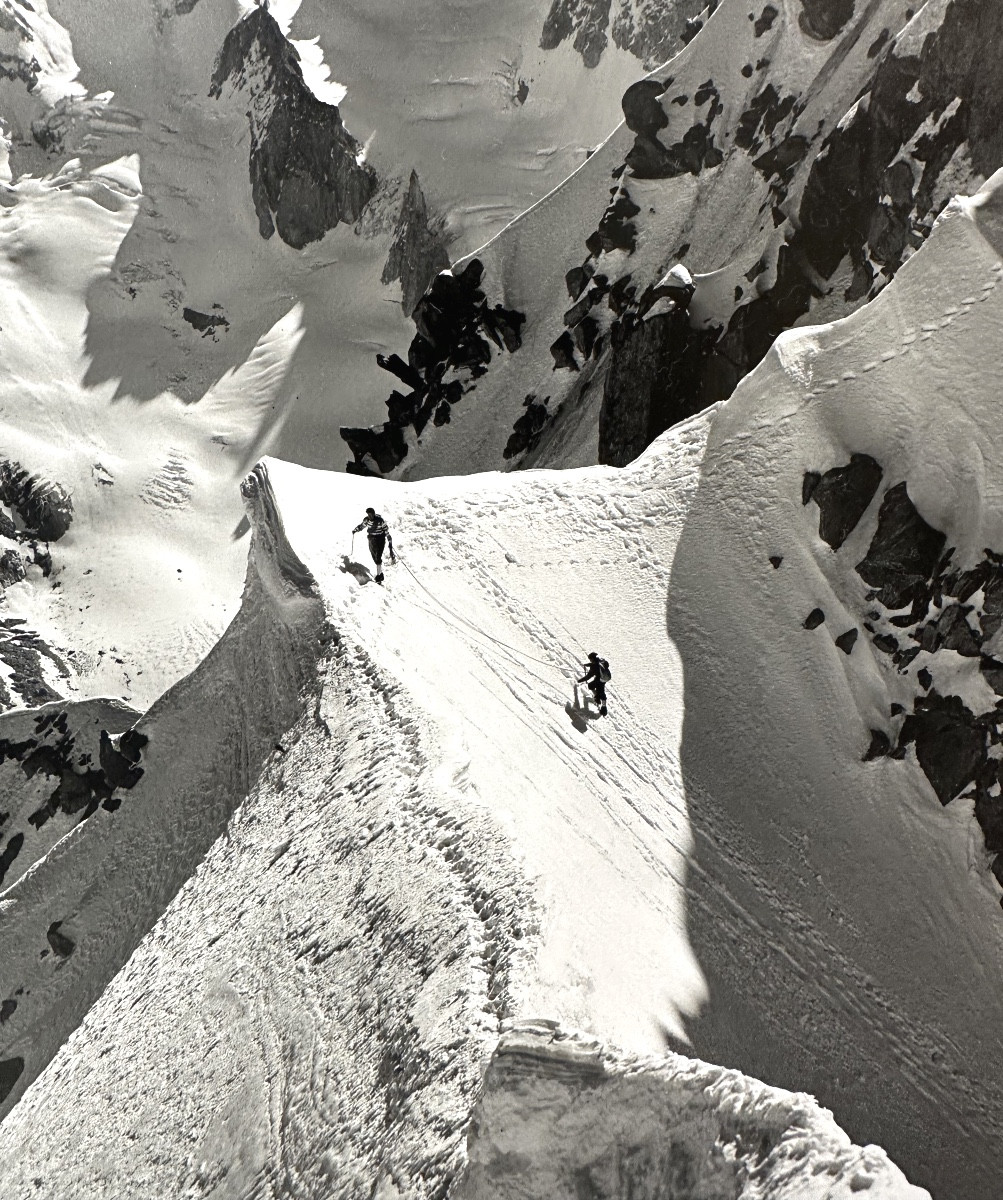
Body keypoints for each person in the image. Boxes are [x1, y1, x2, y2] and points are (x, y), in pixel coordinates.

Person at [353, 507, 395, 583]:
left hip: (380, 539)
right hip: (371, 539)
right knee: (374, 557)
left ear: (374, 514)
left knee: (378, 557)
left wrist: (389, 538)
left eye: (371, 514)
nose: (370, 516)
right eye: (368, 514)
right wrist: (356, 530)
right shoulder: (366, 520)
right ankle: (380, 574)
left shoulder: (380, 520)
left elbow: (385, 529)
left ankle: (379, 577)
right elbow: (362, 526)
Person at [578, 652, 611, 716]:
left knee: (597, 689)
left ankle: (603, 708)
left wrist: (579, 680)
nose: (590, 660)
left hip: (600, 679)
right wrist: (589, 664)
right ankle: (597, 698)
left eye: (590, 659)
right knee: (595, 687)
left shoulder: (594, 667)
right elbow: (595, 664)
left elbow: (588, 677)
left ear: (592, 658)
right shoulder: (600, 661)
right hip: (605, 678)